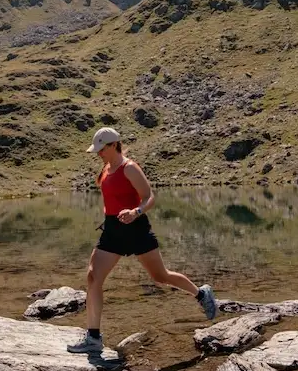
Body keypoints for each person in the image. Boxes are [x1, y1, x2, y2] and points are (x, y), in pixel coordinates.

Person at [67, 127, 217, 354]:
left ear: (113, 145)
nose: (98, 153)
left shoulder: (130, 168)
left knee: (160, 276)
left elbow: (149, 197)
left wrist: (135, 211)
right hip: (112, 230)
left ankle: (201, 294)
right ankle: (93, 337)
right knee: (93, 276)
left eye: (101, 149)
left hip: (135, 228)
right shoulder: (107, 169)